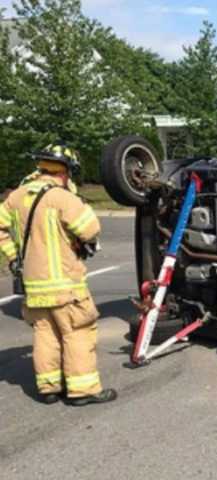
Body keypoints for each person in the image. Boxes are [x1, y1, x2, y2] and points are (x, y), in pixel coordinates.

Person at [0, 143, 117, 406]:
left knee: (45, 334)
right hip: (65, 285)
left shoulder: (16, 197)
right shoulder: (62, 198)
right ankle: (82, 391)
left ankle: (49, 387)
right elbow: (89, 230)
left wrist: (13, 256)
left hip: (34, 286)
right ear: (65, 171)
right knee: (78, 332)